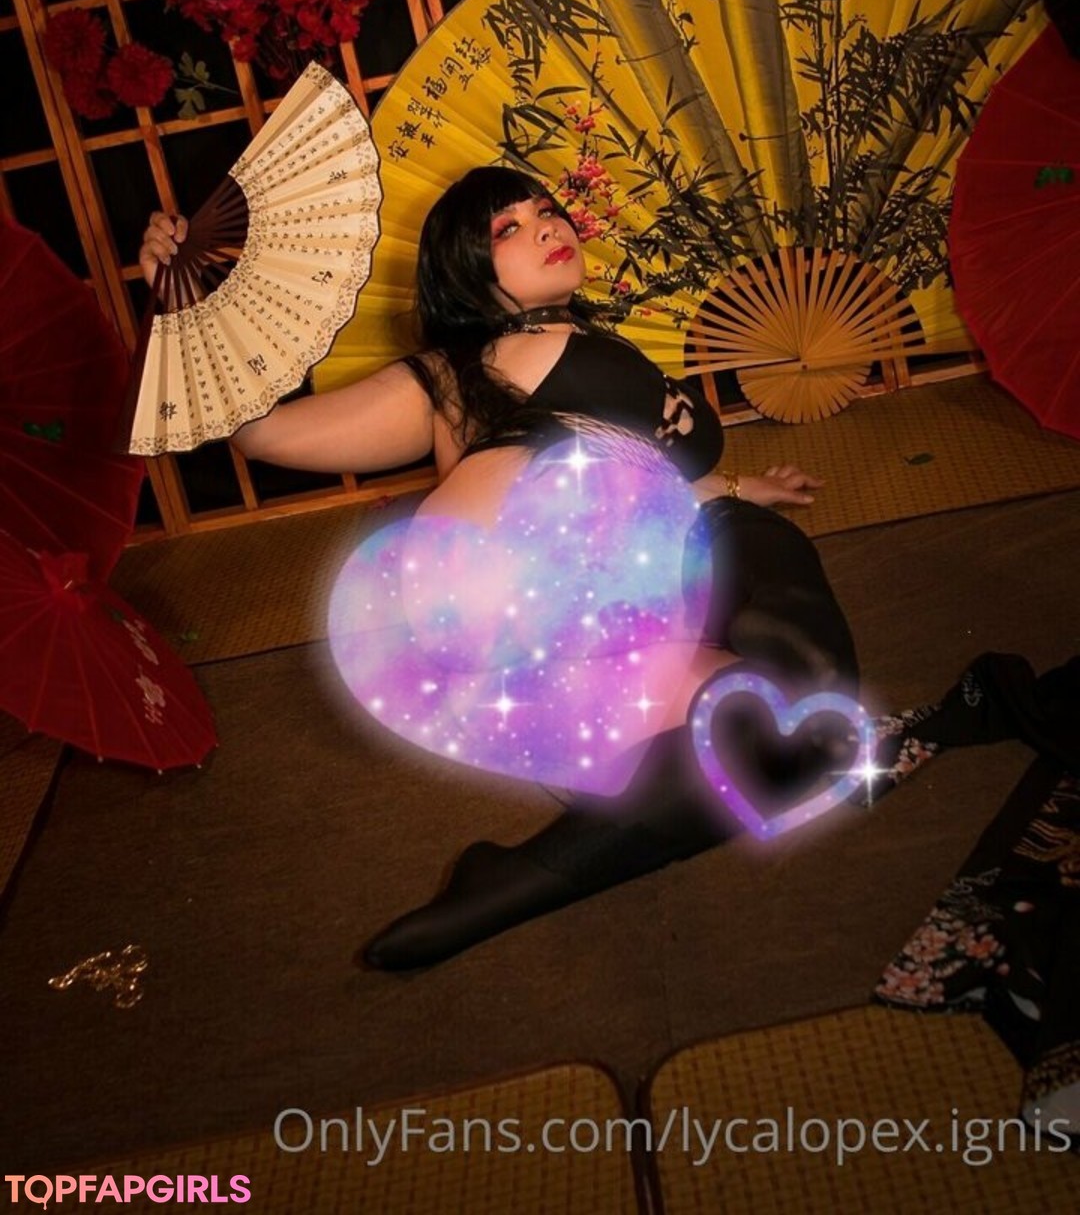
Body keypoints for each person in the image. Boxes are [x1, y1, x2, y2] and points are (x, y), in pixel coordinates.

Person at [140, 166, 860, 969]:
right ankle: (786, 657)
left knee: (779, 745)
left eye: (546, 210)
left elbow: (643, 473)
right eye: (506, 229)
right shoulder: (459, 373)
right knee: (788, 623)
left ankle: (514, 883)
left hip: (598, 621)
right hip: (526, 588)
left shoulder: (584, 350)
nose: (547, 226)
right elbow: (263, 433)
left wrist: (739, 486)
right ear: (465, 273)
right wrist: (185, 293)